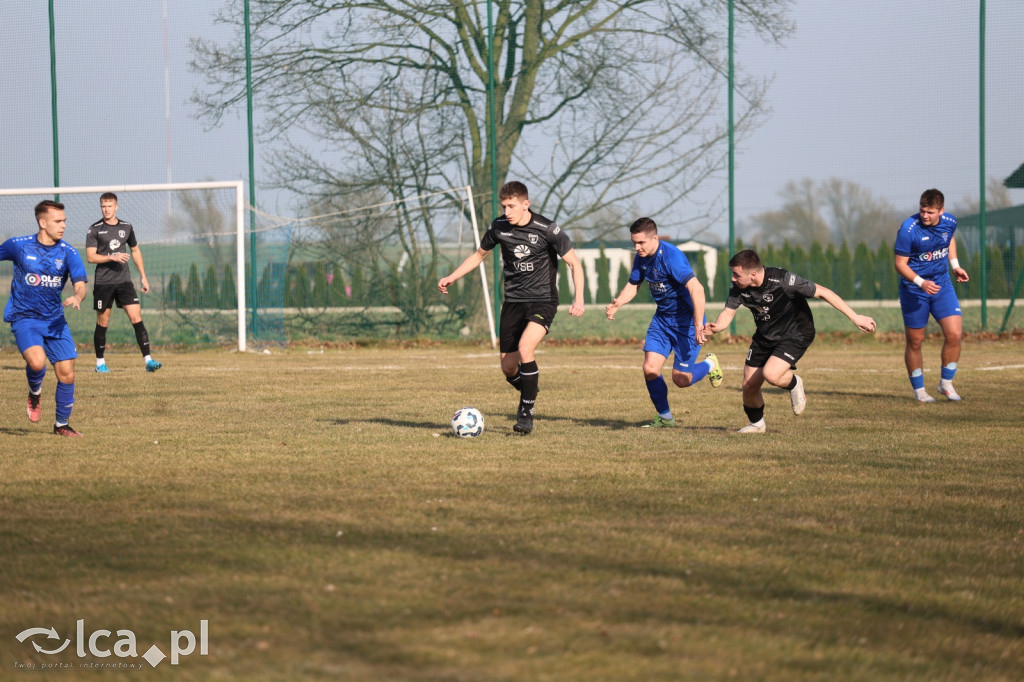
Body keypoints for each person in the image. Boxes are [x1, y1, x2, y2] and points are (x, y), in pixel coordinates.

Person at [437, 181, 585, 435]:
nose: (507, 211)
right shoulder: (498, 227)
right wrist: (453, 276)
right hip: (513, 302)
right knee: (508, 368)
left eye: (512, 206)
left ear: (526, 204)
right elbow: (479, 255)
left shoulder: (547, 229)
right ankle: (530, 387)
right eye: (504, 206)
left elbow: (574, 264)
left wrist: (579, 298)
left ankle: (525, 414)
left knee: (526, 348)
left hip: (543, 300)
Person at [703, 249, 876, 433]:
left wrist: (855, 317)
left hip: (796, 332)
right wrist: (715, 328)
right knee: (749, 385)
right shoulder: (738, 288)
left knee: (772, 374)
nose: (733, 279)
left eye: (736, 275)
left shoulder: (784, 280)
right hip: (765, 335)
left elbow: (824, 292)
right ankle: (757, 425)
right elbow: (728, 313)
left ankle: (795, 384)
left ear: (753, 274)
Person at [604, 217, 723, 427]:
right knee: (650, 369)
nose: (637, 247)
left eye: (641, 242)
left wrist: (698, 325)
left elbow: (697, 289)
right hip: (662, 321)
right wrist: (618, 304)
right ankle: (666, 418)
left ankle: (710, 363)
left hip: (687, 323)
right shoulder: (641, 258)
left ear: (655, 238)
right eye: (634, 242)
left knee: (681, 380)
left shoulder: (672, 257)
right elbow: (633, 284)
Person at [1, 200, 89, 436]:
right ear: (42, 222)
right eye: (58, 221)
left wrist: (78, 297)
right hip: (24, 317)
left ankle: (61, 425)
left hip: (55, 320)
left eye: (64, 221)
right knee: (37, 362)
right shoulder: (18, 246)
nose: (63, 226)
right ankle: (35, 392)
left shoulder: (69, 252)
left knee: (67, 373)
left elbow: (81, 285)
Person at [894, 188, 970, 402]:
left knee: (954, 334)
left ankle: (946, 384)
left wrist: (955, 265)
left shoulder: (950, 221)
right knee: (915, 341)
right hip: (914, 290)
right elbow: (900, 264)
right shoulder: (908, 229)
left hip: (942, 286)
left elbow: (949, 240)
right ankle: (919, 391)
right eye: (922, 210)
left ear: (941, 211)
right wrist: (921, 282)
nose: (924, 215)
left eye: (930, 212)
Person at [85, 192, 162, 373]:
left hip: (124, 282)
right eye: (103, 206)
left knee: (136, 318)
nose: (106, 209)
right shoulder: (94, 229)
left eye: (109, 206)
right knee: (103, 322)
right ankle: (100, 363)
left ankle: (148, 361)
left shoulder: (127, 227)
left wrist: (143, 275)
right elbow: (90, 257)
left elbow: (135, 251)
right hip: (103, 283)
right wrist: (113, 256)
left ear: (116, 207)